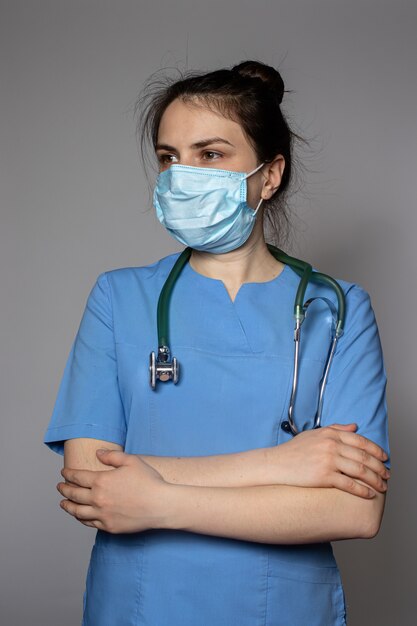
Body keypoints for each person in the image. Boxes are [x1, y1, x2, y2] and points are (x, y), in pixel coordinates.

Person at [44, 60, 390, 626]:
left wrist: (156, 498)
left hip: (282, 606)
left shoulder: (336, 307)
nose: (183, 175)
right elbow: (91, 484)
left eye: (210, 155)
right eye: (168, 158)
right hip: (140, 603)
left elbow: (354, 509)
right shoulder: (119, 297)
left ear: (270, 174)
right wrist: (281, 464)